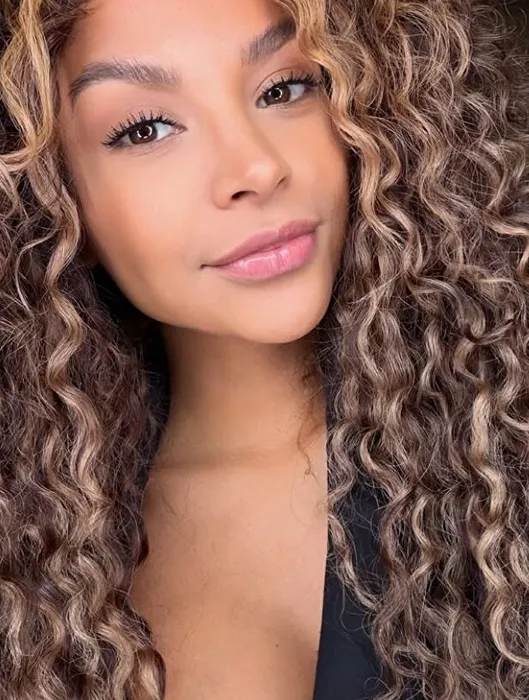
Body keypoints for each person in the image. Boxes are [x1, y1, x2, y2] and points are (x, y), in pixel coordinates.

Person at [1, 0, 529, 698]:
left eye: (283, 88)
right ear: (53, 199)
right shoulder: (29, 547)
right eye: (145, 129)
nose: (254, 166)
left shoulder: (504, 430)